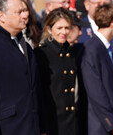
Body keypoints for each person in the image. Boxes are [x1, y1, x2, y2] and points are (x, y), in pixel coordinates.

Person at [0, 0, 42, 134]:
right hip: (8, 128)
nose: (25, 15)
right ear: (1, 16)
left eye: (25, 11)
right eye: (19, 12)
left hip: (32, 127)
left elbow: (34, 90)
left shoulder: (25, 46)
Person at [34, 7, 85, 135]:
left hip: (72, 123)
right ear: (49, 29)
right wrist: (42, 127)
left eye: (67, 28)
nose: (64, 32)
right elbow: (39, 94)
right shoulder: (40, 54)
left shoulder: (70, 52)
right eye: (59, 28)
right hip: (53, 123)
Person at [81, 4, 113, 135]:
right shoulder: (92, 49)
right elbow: (96, 92)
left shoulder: (103, 48)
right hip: (100, 125)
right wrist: (112, 123)